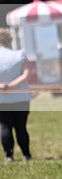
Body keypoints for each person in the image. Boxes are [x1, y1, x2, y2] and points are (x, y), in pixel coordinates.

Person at [0, 28, 32, 162]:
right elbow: (26, 75)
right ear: (10, 40)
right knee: (21, 127)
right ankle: (26, 154)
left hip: (1, 99)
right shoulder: (20, 55)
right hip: (20, 98)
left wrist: (2, 86)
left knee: (5, 127)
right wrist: (12, 86)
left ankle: (9, 156)